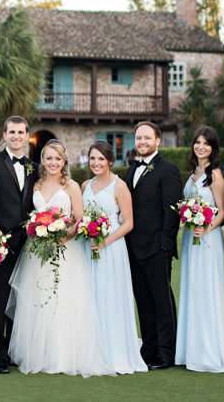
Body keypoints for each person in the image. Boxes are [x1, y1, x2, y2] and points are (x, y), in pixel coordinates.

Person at [6, 139, 113, 377]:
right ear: (42, 160)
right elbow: (32, 215)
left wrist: (64, 235)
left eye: (57, 158)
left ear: (64, 161)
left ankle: (64, 355)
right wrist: (39, 230)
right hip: (38, 251)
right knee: (39, 300)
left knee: (65, 300)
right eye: (48, 158)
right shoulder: (36, 184)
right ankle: (41, 354)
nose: (53, 163)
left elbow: (79, 218)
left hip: (67, 251)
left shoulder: (72, 186)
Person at [81, 140, 147, 374]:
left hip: (112, 249)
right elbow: (82, 218)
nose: (96, 163)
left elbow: (129, 223)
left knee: (110, 296)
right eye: (92, 158)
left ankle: (115, 351)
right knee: (90, 297)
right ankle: (91, 350)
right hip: (87, 248)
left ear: (110, 161)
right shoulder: (85, 185)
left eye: (101, 159)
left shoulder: (119, 187)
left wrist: (104, 242)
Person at [0, 116, 37, 374]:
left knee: (21, 299)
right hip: (2, 244)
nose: (16, 136)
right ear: (4, 134)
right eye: (11, 131)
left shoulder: (34, 167)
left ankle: (14, 350)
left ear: (26, 135)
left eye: (20, 132)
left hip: (29, 245)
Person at [174, 127, 224, 373]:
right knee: (191, 289)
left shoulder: (216, 175)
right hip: (191, 238)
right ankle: (190, 350)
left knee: (206, 290)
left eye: (206, 143)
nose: (201, 147)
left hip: (207, 239)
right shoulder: (192, 174)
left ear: (213, 148)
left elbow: (223, 210)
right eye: (197, 142)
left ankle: (209, 352)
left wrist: (206, 228)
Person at [124, 121, 182, 371]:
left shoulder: (167, 169)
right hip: (133, 247)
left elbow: (173, 210)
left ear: (158, 141)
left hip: (157, 247)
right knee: (143, 301)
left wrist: (165, 245)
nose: (143, 142)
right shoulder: (132, 168)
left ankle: (167, 353)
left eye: (147, 138)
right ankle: (148, 349)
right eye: (139, 138)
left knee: (162, 302)